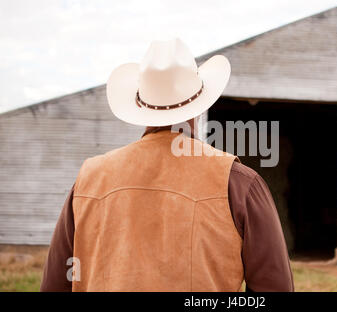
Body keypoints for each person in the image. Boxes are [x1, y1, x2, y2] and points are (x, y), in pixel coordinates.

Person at [40, 38, 293, 292]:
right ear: (199, 107)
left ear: (140, 106)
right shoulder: (238, 183)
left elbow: (55, 285)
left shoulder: (89, 180)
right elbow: (275, 287)